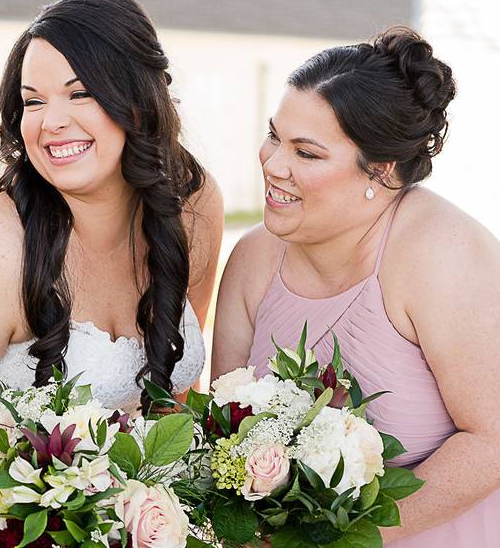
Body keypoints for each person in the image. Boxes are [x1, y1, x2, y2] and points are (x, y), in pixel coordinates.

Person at [0, 0, 224, 488]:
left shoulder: (192, 206)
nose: (51, 122)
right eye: (33, 101)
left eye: (79, 93)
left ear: (136, 101)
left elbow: (177, 393)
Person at [212, 27, 500, 545]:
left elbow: (493, 440)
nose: (273, 164)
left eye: (307, 153)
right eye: (275, 136)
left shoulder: (442, 253)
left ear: (382, 170)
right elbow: (224, 436)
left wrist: (345, 541)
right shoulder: (253, 260)